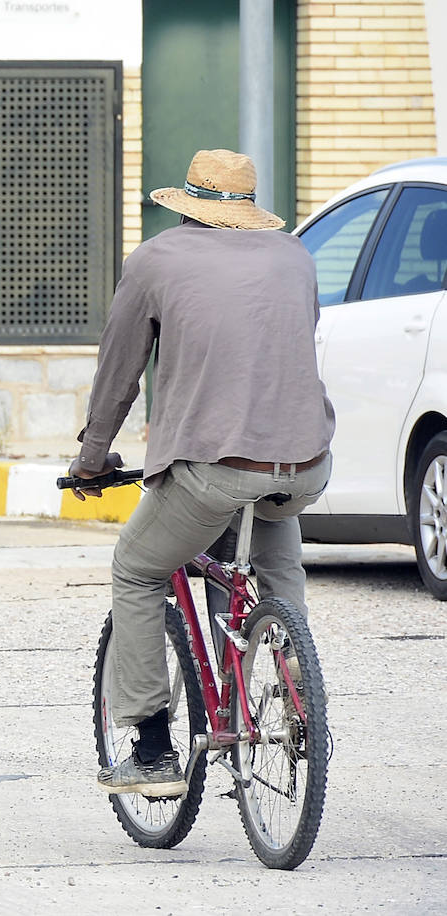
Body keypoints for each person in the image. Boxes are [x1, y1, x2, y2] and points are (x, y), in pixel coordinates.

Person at [67, 149, 335, 797]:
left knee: (136, 566)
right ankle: (299, 690)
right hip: (304, 464)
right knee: (274, 564)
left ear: (186, 204)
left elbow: (118, 374)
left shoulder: (155, 260)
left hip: (214, 468)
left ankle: (154, 751)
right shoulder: (294, 256)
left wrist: (92, 457)